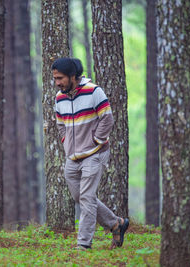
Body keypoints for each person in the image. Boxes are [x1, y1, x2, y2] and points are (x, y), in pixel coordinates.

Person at [52, 57, 129, 250]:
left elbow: (107, 119)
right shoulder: (59, 97)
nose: (57, 83)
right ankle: (115, 223)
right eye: (55, 79)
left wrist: (96, 140)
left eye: (60, 78)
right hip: (73, 157)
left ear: (72, 76)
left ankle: (83, 244)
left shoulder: (94, 91)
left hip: (95, 153)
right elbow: (60, 124)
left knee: (87, 198)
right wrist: (66, 142)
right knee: (81, 196)